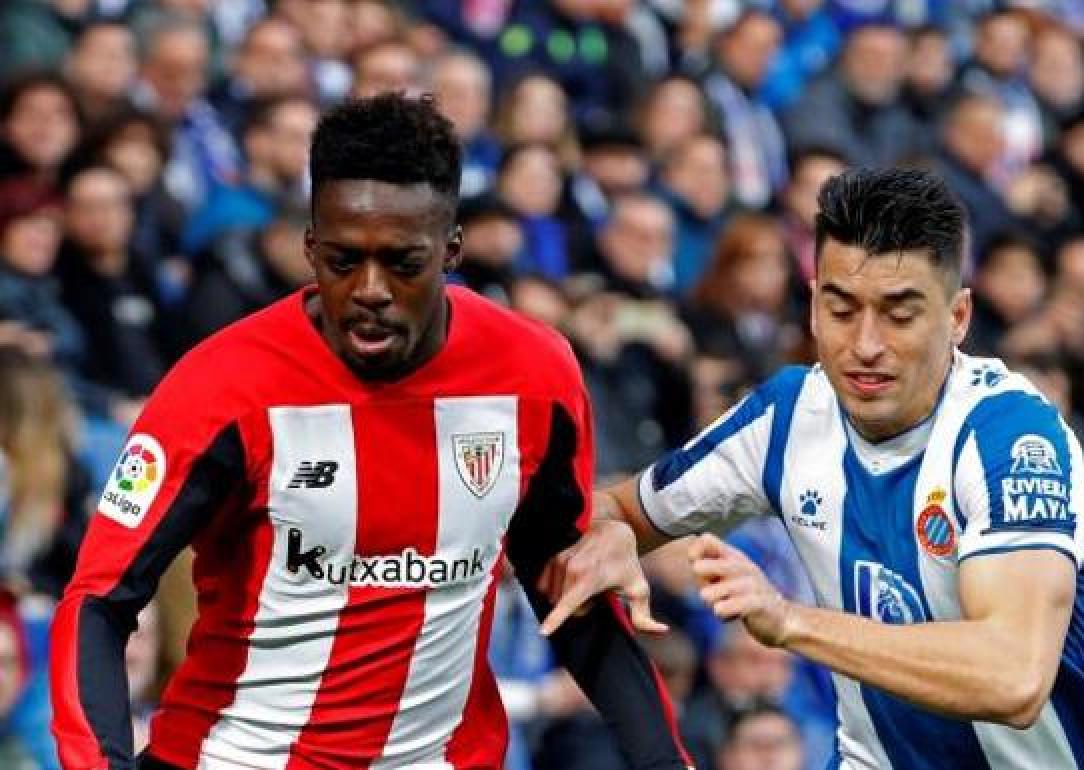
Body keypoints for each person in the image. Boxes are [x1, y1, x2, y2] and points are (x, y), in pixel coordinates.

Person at [49, 93, 690, 770]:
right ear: (309, 247)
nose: (369, 289)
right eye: (342, 259)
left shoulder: (533, 374)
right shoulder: (219, 388)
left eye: (402, 263)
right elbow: (98, 600)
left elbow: (569, 589)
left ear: (451, 250)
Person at [541, 168, 1084, 768]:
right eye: (842, 309)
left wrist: (790, 621)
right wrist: (616, 532)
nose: (865, 344)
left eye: (899, 314)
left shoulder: (1010, 436)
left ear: (958, 318)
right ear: (811, 306)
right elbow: (622, 508)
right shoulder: (787, 415)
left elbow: (1013, 678)